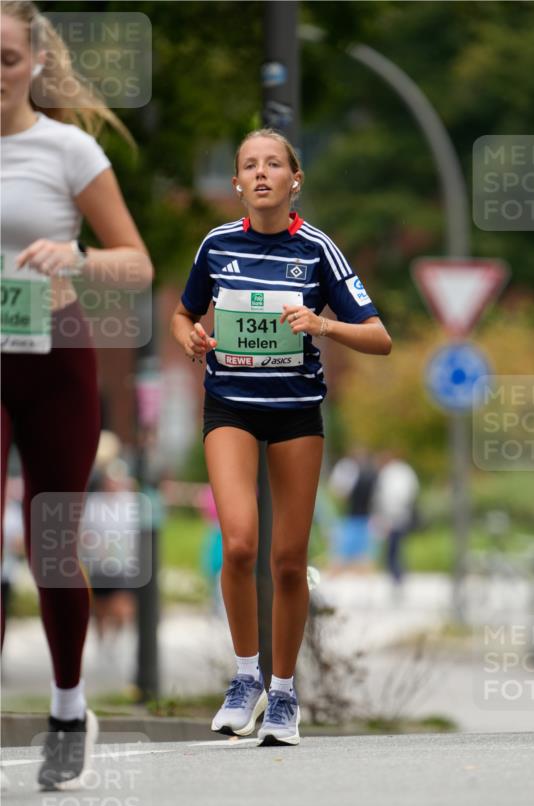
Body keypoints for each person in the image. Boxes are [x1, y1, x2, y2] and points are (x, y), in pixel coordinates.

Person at [170, 128, 391, 747]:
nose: (261, 173)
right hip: (230, 409)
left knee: (289, 561)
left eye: (274, 164)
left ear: (295, 180)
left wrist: (322, 324)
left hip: (295, 413)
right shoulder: (216, 245)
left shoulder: (318, 249)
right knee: (239, 544)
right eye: (250, 165)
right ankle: (247, 679)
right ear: (237, 184)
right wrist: (189, 337)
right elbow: (183, 314)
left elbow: (379, 337)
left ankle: (286, 692)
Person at [0, 1, 153, 789]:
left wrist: (77, 256)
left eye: (6, 58)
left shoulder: (67, 150)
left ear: (35, 63)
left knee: (53, 547)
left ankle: (67, 708)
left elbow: (138, 262)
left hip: (53, 354)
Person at [372, 450, 419, 588]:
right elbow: (413, 491)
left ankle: (397, 575)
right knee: (397, 547)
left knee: (392, 549)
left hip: (391, 516)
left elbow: (382, 496)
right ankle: (398, 575)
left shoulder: (388, 473)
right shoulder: (406, 471)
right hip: (402, 514)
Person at [328, 447, 378, 573]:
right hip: (362, 517)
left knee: (342, 554)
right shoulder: (371, 475)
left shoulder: (353, 475)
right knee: (363, 556)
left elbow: (343, 496)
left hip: (354, 518)